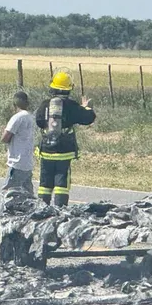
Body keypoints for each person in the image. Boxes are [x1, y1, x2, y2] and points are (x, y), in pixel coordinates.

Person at [35, 70, 96, 207]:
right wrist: (86, 108)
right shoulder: (72, 105)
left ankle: (40, 210)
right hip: (64, 152)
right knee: (62, 182)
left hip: (46, 150)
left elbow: (39, 121)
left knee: (44, 184)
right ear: (69, 89)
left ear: (53, 87)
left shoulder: (45, 104)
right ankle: (60, 211)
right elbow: (88, 118)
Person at [1, 90, 35, 201]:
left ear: (14, 104)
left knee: (8, 192)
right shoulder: (31, 117)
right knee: (28, 195)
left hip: (16, 163)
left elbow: (5, 138)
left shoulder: (17, 117)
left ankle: (3, 215)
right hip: (27, 163)